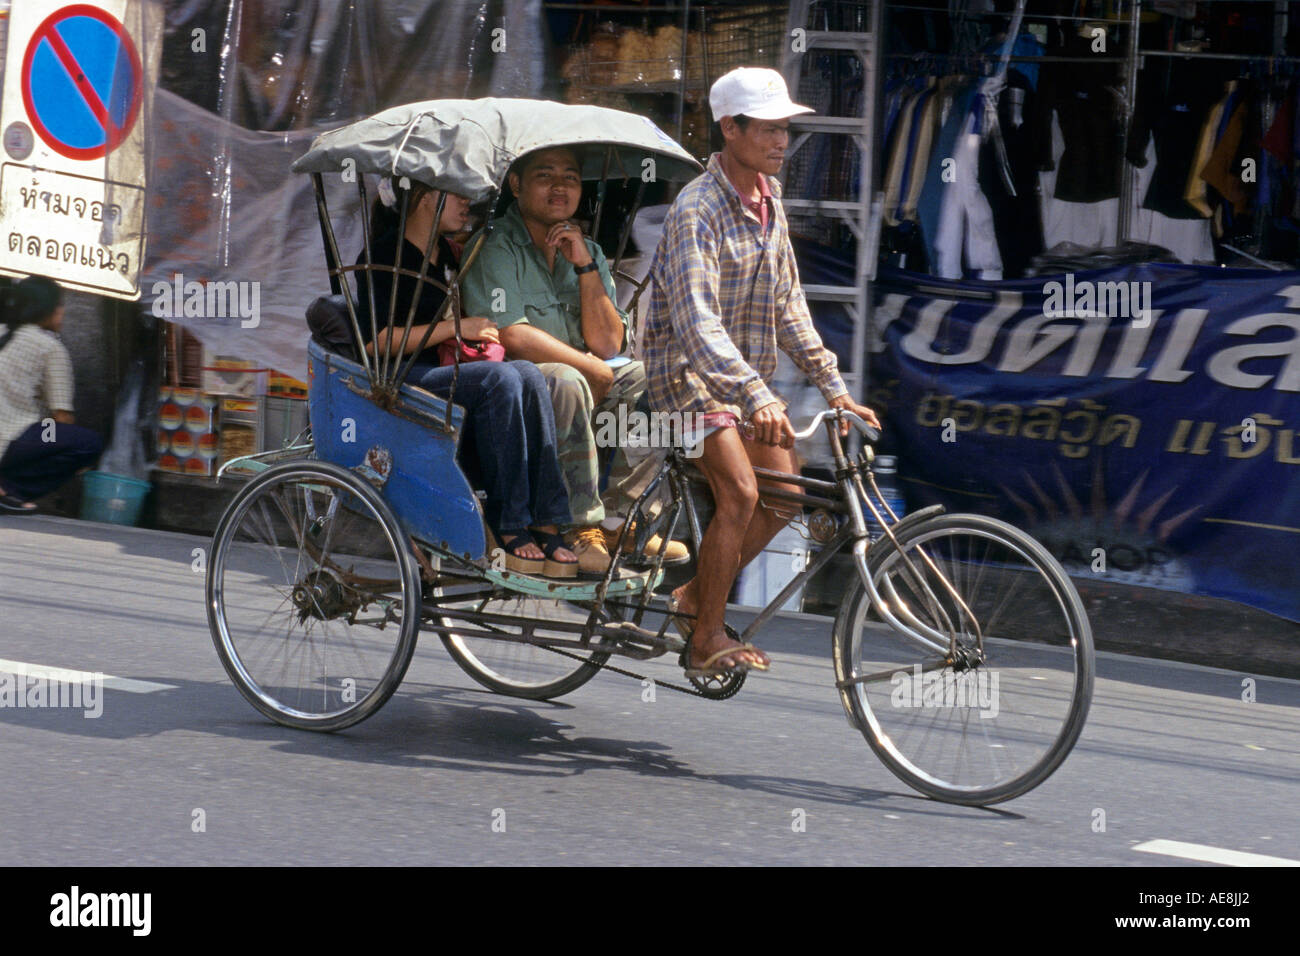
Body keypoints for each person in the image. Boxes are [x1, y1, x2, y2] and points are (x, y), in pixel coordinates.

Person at [642, 67, 882, 677]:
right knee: (743, 492)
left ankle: (696, 596)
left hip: (744, 388)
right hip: (686, 385)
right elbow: (697, 327)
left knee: (788, 497)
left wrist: (836, 388)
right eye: (769, 129)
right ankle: (704, 641)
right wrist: (753, 395)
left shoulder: (768, 202)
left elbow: (789, 306)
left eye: (785, 130)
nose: (782, 142)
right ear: (731, 128)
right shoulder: (696, 211)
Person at [458, 146, 687, 575]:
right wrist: (588, 367)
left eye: (571, 177)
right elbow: (513, 335)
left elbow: (607, 344)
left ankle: (625, 520)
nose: (560, 187)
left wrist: (584, 267)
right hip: (515, 381)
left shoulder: (588, 250)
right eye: (546, 176)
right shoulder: (495, 246)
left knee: (652, 379)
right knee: (566, 379)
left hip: (583, 370)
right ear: (516, 185)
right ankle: (581, 528)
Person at [355, 177, 577, 578]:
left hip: (444, 369)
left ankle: (547, 516)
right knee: (500, 380)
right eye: (457, 192)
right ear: (424, 197)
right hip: (400, 377)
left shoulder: (447, 253)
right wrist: (457, 328)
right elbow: (375, 342)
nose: (467, 202)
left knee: (527, 373)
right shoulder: (385, 255)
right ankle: (507, 521)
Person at [0, 277, 102, 513]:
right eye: (60, 305)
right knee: (86, 443)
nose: (63, 311)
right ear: (47, 309)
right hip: (10, 441)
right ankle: (10, 490)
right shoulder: (49, 348)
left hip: (12, 438)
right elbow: (62, 416)